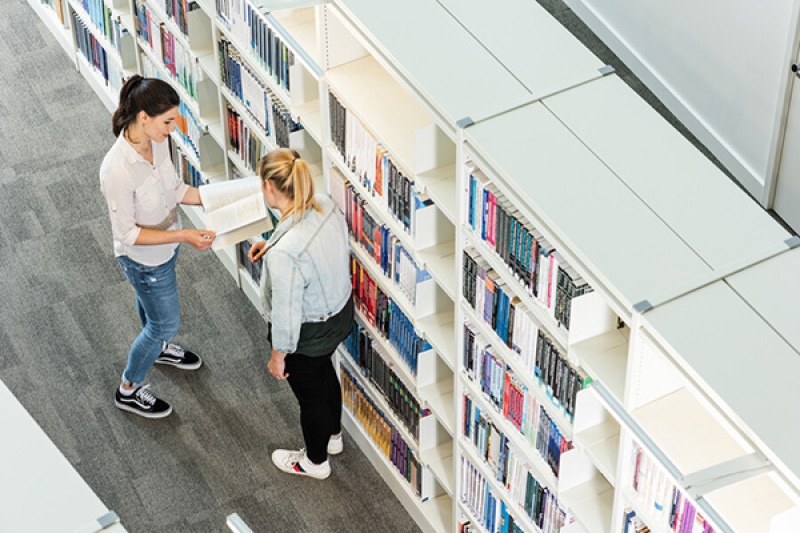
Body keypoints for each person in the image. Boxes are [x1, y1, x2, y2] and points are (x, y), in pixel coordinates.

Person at [99, 75, 216, 419]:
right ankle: (129, 388)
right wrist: (184, 236)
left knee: (152, 313)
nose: (173, 128)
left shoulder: (158, 140)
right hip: (144, 261)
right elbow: (127, 235)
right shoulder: (117, 170)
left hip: (167, 246)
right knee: (163, 324)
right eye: (168, 121)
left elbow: (176, 189)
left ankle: (158, 349)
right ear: (143, 117)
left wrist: (216, 199)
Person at [249, 148, 353, 480]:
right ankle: (334, 437)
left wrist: (278, 357)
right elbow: (313, 250)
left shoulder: (287, 254)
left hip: (307, 333)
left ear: (268, 186)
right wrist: (272, 245)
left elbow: (286, 313)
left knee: (310, 397)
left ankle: (315, 462)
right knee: (324, 374)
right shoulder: (323, 203)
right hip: (338, 314)